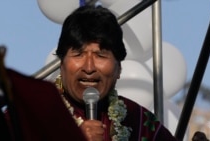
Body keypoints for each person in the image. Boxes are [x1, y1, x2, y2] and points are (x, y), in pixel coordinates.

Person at [55, 5, 177, 141]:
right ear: (61, 64)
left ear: (119, 68)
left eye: (100, 55)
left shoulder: (137, 120)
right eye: (78, 54)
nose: (89, 68)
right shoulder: (37, 113)